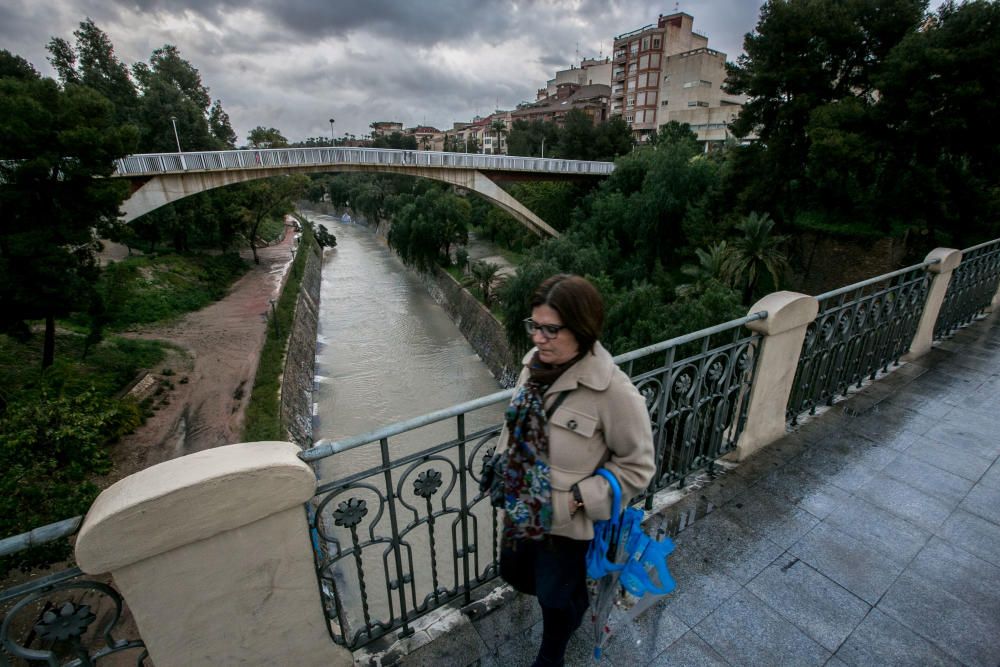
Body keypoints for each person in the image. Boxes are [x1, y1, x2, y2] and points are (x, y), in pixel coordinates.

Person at [496, 274, 655, 666]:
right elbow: (514, 425)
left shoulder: (613, 393)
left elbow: (638, 467)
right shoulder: (533, 367)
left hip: (564, 525)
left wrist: (577, 500)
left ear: (582, 329)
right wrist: (503, 463)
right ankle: (573, 599)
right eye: (534, 326)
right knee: (515, 574)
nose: (538, 338)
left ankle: (553, 654)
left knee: (554, 597)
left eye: (551, 329)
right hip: (520, 508)